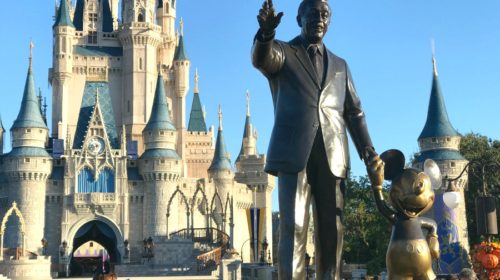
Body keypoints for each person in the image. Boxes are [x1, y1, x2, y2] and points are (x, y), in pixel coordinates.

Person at [252, 0, 377, 279]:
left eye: (325, 14)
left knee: (332, 232)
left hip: (333, 156)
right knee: (294, 229)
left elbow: (355, 113)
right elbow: (262, 59)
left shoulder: (341, 66)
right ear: (299, 18)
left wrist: (368, 152)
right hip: (294, 156)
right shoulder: (284, 52)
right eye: (312, 13)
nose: (319, 19)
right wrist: (266, 35)